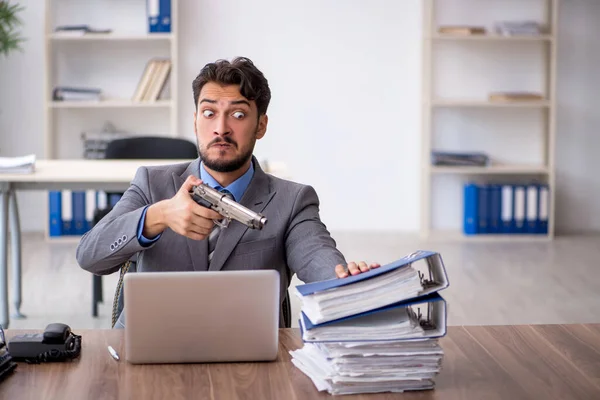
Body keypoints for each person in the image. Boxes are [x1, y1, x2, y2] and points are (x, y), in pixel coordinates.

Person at [76, 56, 380, 328]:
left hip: (249, 361)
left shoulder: (293, 200)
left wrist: (346, 280)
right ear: (195, 121)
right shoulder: (151, 184)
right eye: (209, 113)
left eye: (237, 115)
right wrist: (157, 216)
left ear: (261, 125)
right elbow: (91, 257)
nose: (221, 128)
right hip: (149, 352)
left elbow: (317, 256)